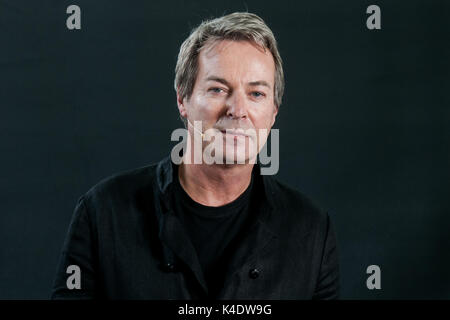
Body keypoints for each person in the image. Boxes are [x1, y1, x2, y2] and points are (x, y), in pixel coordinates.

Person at [51, 12, 339, 300]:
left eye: (256, 94)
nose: (237, 110)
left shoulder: (311, 231)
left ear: (274, 111)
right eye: (217, 89)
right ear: (182, 99)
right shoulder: (102, 214)